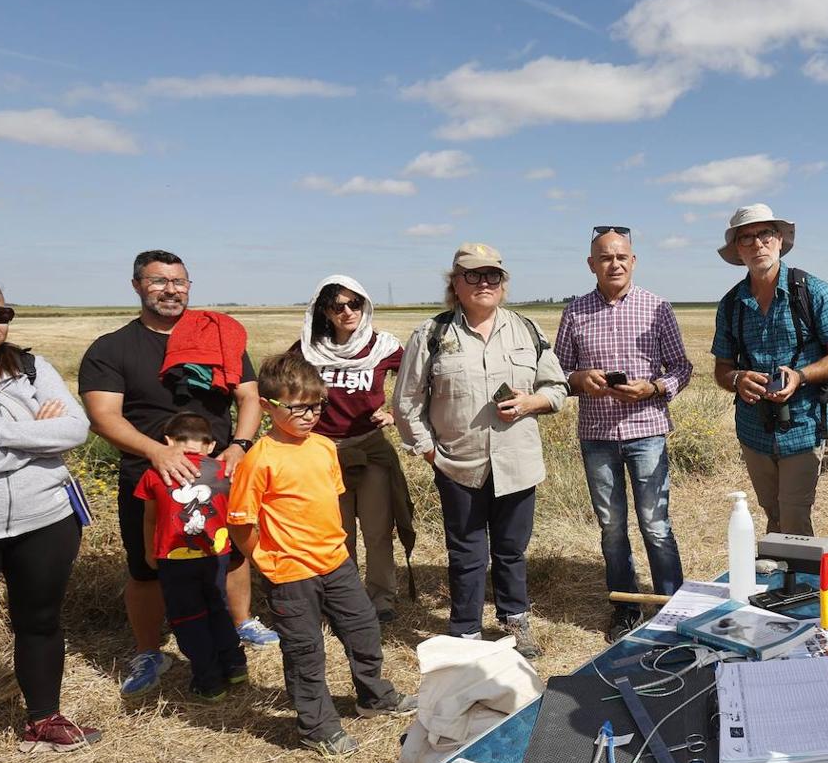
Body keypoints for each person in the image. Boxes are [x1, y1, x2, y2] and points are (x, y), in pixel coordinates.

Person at [78, 250, 278, 699]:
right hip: (149, 477)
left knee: (232, 554)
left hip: (220, 473)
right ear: (136, 286)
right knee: (147, 564)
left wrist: (240, 448)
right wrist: (156, 453)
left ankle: (240, 623)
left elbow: (249, 398)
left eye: (180, 282)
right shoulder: (112, 349)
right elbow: (102, 415)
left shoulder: (219, 337)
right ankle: (150, 650)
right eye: (159, 281)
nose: (171, 289)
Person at [227, 352, 416, 758]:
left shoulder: (324, 448)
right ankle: (317, 727)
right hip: (290, 575)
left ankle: (373, 696)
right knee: (305, 652)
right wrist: (266, 561)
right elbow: (241, 523)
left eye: (317, 405)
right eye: (298, 408)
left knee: (364, 628)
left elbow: (328, 502)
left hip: (337, 564)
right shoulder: (258, 460)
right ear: (267, 406)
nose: (310, 415)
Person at [394, 243, 569, 658]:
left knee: (511, 549)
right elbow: (406, 402)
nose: (483, 283)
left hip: (518, 462)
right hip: (458, 463)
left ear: (503, 284)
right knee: (466, 551)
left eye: (492, 275)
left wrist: (532, 402)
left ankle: (514, 619)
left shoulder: (528, 330)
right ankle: (466, 631)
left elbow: (557, 388)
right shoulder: (432, 334)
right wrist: (429, 451)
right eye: (472, 275)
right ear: (455, 283)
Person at [0, 271, 101, 752]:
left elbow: (74, 431)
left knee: (40, 622)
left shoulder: (33, 368)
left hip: (46, 518)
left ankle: (44, 719)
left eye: (0, 313)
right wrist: (35, 440)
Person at [553, 226, 693, 641]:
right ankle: (625, 608)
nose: (614, 263)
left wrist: (652, 388)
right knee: (612, 526)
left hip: (646, 431)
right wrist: (578, 377)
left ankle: (673, 606)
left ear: (633, 261)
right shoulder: (575, 311)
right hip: (596, 434)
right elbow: (556, 374)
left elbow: (682, 369)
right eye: (605, 257)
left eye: (621, 257)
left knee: (655, 524)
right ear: (591, 264)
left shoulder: (657, 307)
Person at [711, 204, 828, 535]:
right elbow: (722, 368)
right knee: (772, 514)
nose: (757, 243)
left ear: (779, 240)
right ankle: (779, 582)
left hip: (803, 425)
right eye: (747, 238)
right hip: (753, 429)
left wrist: (801, 376)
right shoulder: (731, 304)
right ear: (738, 250)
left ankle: (804, 586)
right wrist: (738, 379)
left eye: (765, 234)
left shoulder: (813, 292)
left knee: (794, 518)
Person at [294, 276, 415, 623]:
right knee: (337, 531)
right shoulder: (308, 348)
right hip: (323, 453)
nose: (348, 312)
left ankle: (381, 599)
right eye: (337, 306)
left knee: (378, 530)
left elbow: (418, 382)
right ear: (325, 312)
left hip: (370, 449)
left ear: (365, 305)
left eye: (354, 304)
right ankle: (343, 599)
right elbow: (283, 385)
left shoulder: (384, 347)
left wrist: (395, 414)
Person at [134, 412, 246, 702]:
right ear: (210, 446)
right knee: (217, 607)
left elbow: (149, 519)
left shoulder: (153, 473)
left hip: (174, 556)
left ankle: (209, 681)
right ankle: (234, 664)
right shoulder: (224, 472)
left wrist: (149, 551)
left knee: (188, 618)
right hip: (217, 553)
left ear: (169, 441)